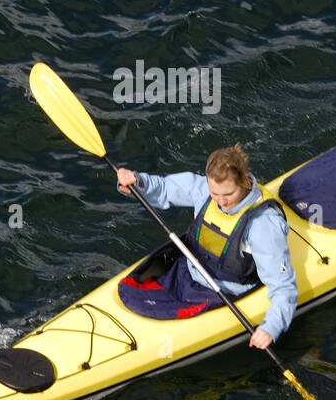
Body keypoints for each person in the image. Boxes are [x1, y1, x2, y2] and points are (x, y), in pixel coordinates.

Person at [115, 144, 298, 349]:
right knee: (133, 291)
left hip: (223, 292)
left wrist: (270, 328)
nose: (221, 202)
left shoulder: (263, 225)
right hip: (186, 273)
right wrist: (137, 181)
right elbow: (165, 188)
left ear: (245, 180)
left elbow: (284, 287)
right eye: (215, 193)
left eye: (228, 194)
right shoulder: (204, 189)